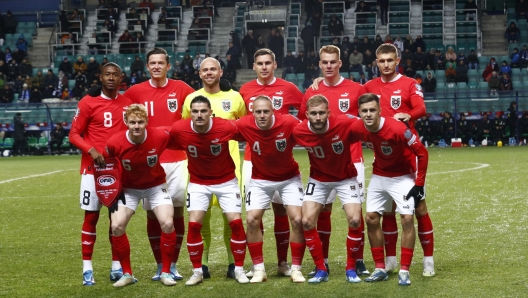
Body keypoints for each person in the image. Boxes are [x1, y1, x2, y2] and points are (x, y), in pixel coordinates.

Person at [124, 47, 195, 282]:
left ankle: (172, 264)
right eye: (152, 63)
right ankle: (159, 265)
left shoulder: (182, 88)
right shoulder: (135, 92)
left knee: (175, 213)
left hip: (178, 160)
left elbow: (201, 103)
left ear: (168, 66)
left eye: (160, 63)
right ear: (147, 67)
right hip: (148, 162)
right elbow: (120, 115)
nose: (156, 66)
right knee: (152, 216)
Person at [363, 44, 434, 277]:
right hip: (383, 156)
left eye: (389, 60)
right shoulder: (369, 86)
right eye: (381, 60)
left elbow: (421, 108)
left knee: (419, 209)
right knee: (386, 212)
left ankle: (428, 260)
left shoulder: (409, 83)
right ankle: (390, 261)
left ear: (397, 61)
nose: (385, 64)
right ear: (376, 62)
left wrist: (408, 115)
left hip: (408, 155)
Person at [301, 45, 369, 277]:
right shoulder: (312, 91)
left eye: (333, 62)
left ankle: (358, 261)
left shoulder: (356, 88)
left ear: (340, 63)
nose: (329, 65)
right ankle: (324, 261)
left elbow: (367, 118)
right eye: (325, 62)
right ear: (319, 64)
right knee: (323, 213)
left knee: (355, 215)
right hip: (322, 165)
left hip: (352, 160)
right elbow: (305, 125)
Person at [350, 93, 429, 286]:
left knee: (408, 218)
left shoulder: (398, 129)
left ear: (380, 111)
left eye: (372, 110)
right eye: (364, 111)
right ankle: (379, 268)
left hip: (403, 176)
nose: (368, 114)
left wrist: (419, 183)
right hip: (380, 175)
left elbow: (422, 153)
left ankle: (404, 270)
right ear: (359, 112)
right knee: (371, 218)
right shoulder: (356, 127)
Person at [239, 48, 304, 280]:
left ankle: (284, 263)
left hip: (282, 158)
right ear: (254, 66)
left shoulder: (288, 88)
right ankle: (258, 265)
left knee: (282, 212)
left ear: (274, 65)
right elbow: (239, 121)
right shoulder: (245, 90)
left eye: (268, 63)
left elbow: (305, 109)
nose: (264, 67)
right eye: (259, 63)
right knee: (254, 215)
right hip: (253, 161)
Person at [170, 96, 248, 286]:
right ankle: (197, 272)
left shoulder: (225, 127)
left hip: (226, 181)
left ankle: (238, 269)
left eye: (203, 111)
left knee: (236, 223)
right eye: (195, 111)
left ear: (210, 112)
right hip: (198, 183)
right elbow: (164, 141)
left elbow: (249, 133)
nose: (199, 115)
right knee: (195, 224)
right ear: (190, 113)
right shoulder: (180, 129)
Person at [182, 58, 246, 279]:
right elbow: (184, 129)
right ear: (199, 74)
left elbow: (245, 125)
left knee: (232, 218)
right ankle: (203, 266)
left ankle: (232, 264)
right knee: (201, 218)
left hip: (230, 169)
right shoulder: (191, 99)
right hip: (199, 171)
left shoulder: (235, 97)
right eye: (205, 70)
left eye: (213, 69)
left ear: (221, 72)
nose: (209, 73)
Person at [69, 62, 131, 286]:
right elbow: (74, 134)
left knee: (116, 220)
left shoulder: (128, 104)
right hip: (91, 171)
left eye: (115, 74)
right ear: (101, 77)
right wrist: (91, 150)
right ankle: (87, 269)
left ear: (121, 77)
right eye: (107, 74)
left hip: (118, 171)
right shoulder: (88, 102)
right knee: (91, 217)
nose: (111, 78)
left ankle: (116, 266)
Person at [292, 95, 363, 284]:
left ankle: (350, 268)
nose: (317, 117)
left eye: (321, 113)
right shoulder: (299, 131)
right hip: (319, 179)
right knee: (306, 221)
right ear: (306, 114)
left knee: (355, 220)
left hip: (345, 177)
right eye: (313, 114)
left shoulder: (344, 123)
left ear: (328, 113)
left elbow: (368, 124)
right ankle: (321, 268)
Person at [105, 103, 177, 287]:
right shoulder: (115, 142)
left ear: (146, 122)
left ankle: (166, 272)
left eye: (140, 122)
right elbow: (107, 165)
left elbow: (179, 136)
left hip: (155, 185)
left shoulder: (160, 136)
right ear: (126, 122)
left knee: (168, 223)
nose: (136, 126)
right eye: (132, 122)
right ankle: (127, 274)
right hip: (129, 188)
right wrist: (110, 190)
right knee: (117, 226)